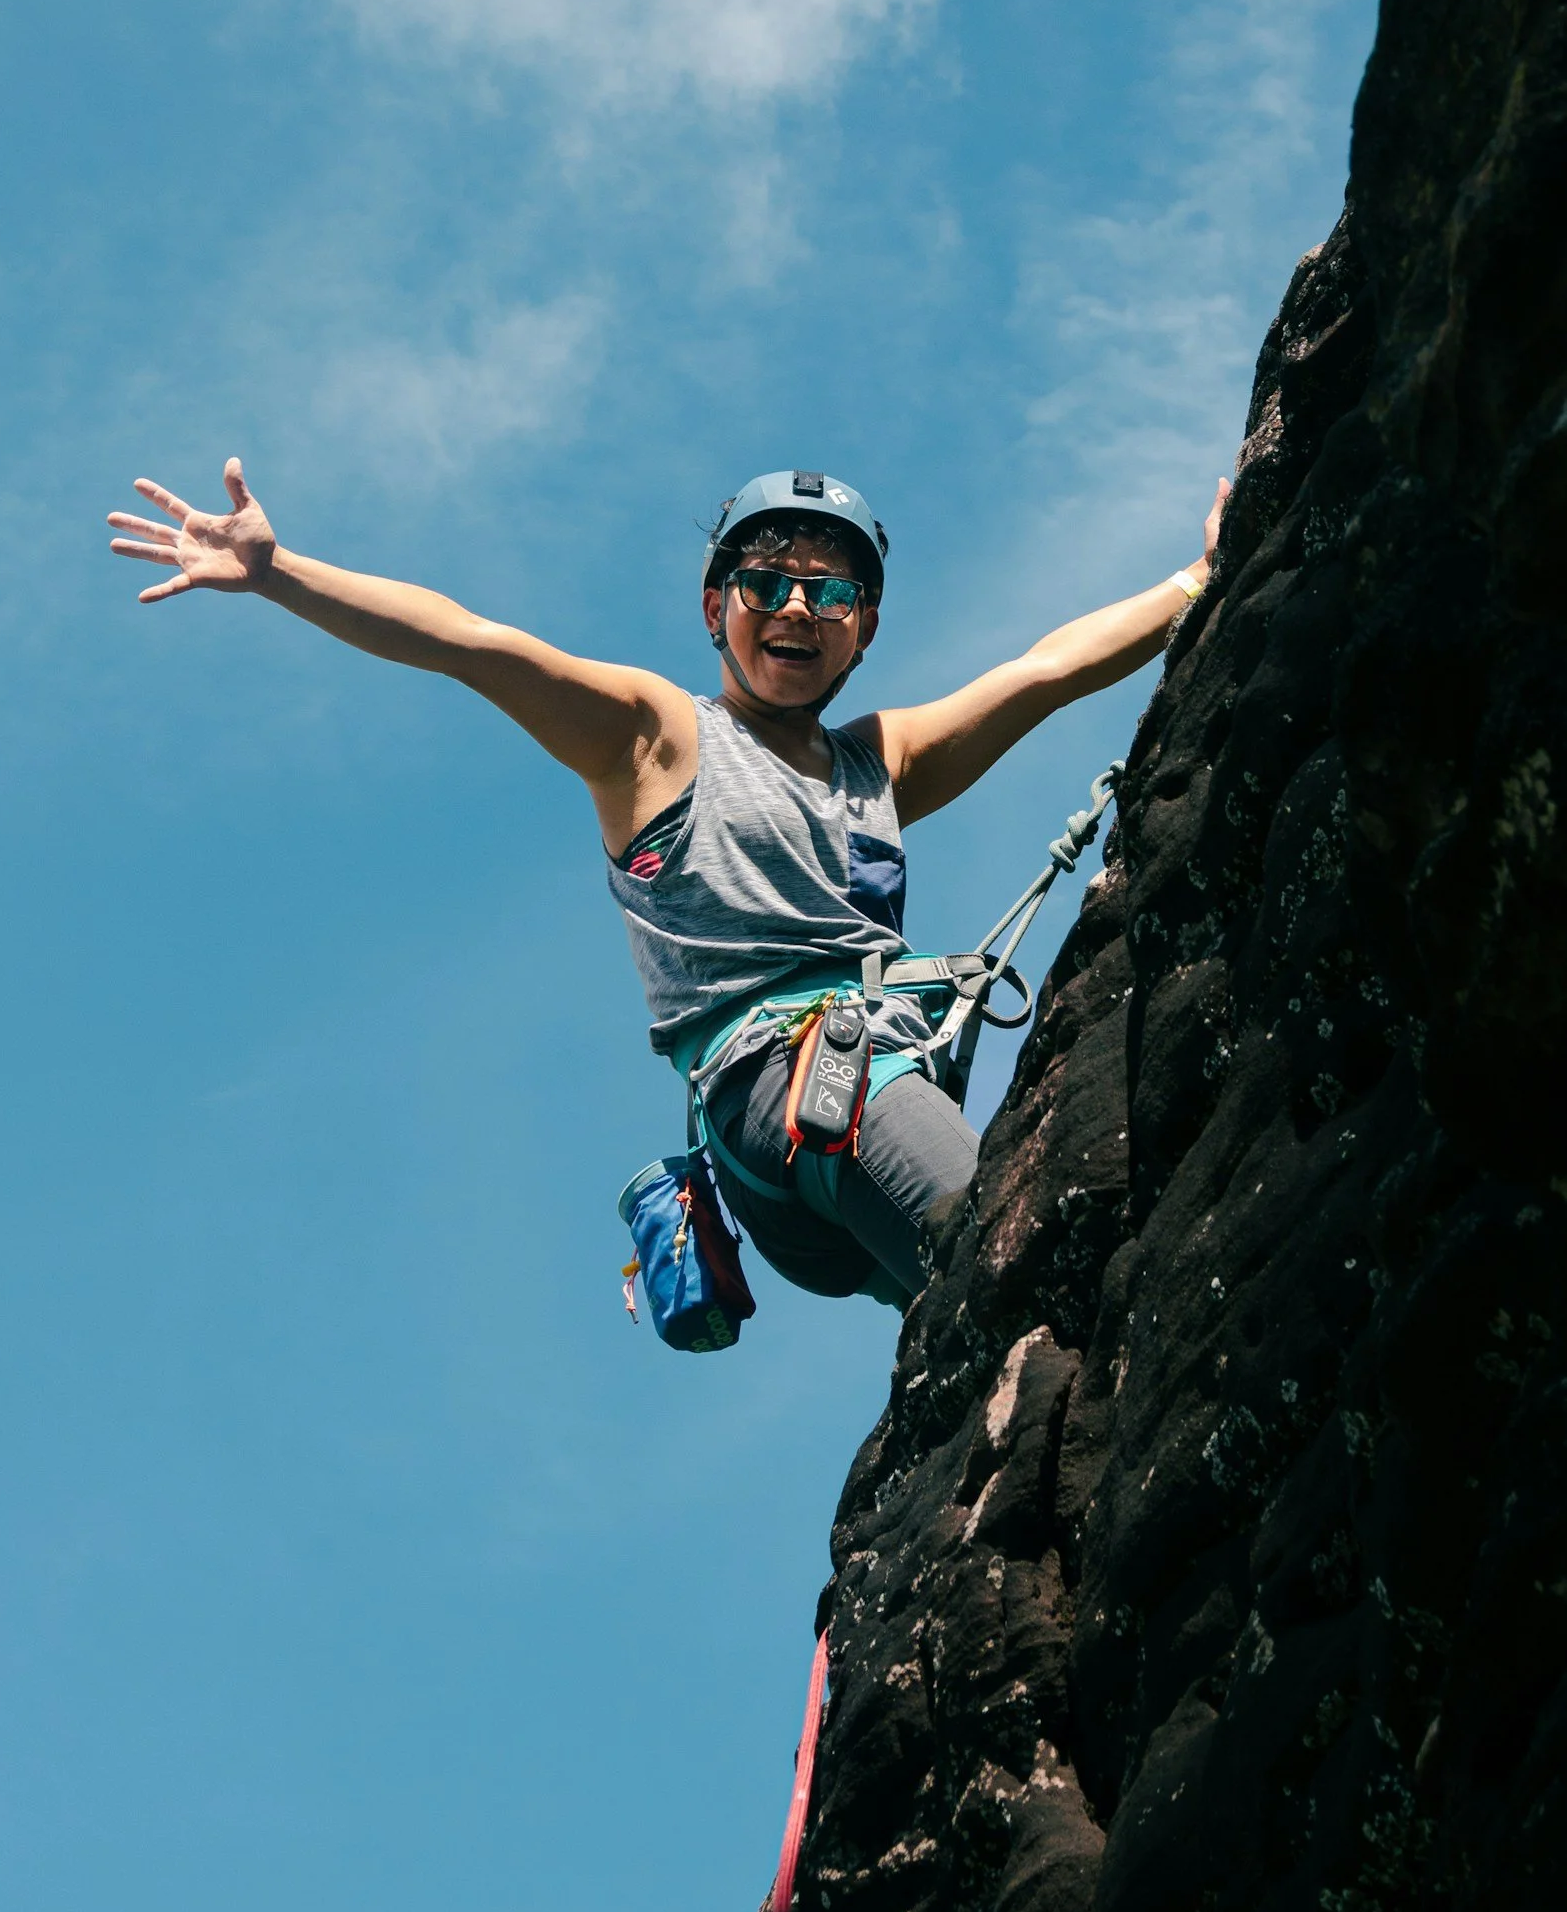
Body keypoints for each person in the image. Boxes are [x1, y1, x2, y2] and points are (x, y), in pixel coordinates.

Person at [107, 461, 1228, 1312]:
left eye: (829, 592)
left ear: (864, 629)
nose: (795, 607)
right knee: (1017, 1258)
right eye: (766, 582)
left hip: (853, 1108)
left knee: (997, 1307)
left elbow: (1039, 673)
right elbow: (473, 644)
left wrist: (1202, 577)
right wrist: (278, 573)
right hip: (796, 1096)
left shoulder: (875, 760)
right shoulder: (654, 738)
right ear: (715, 608)